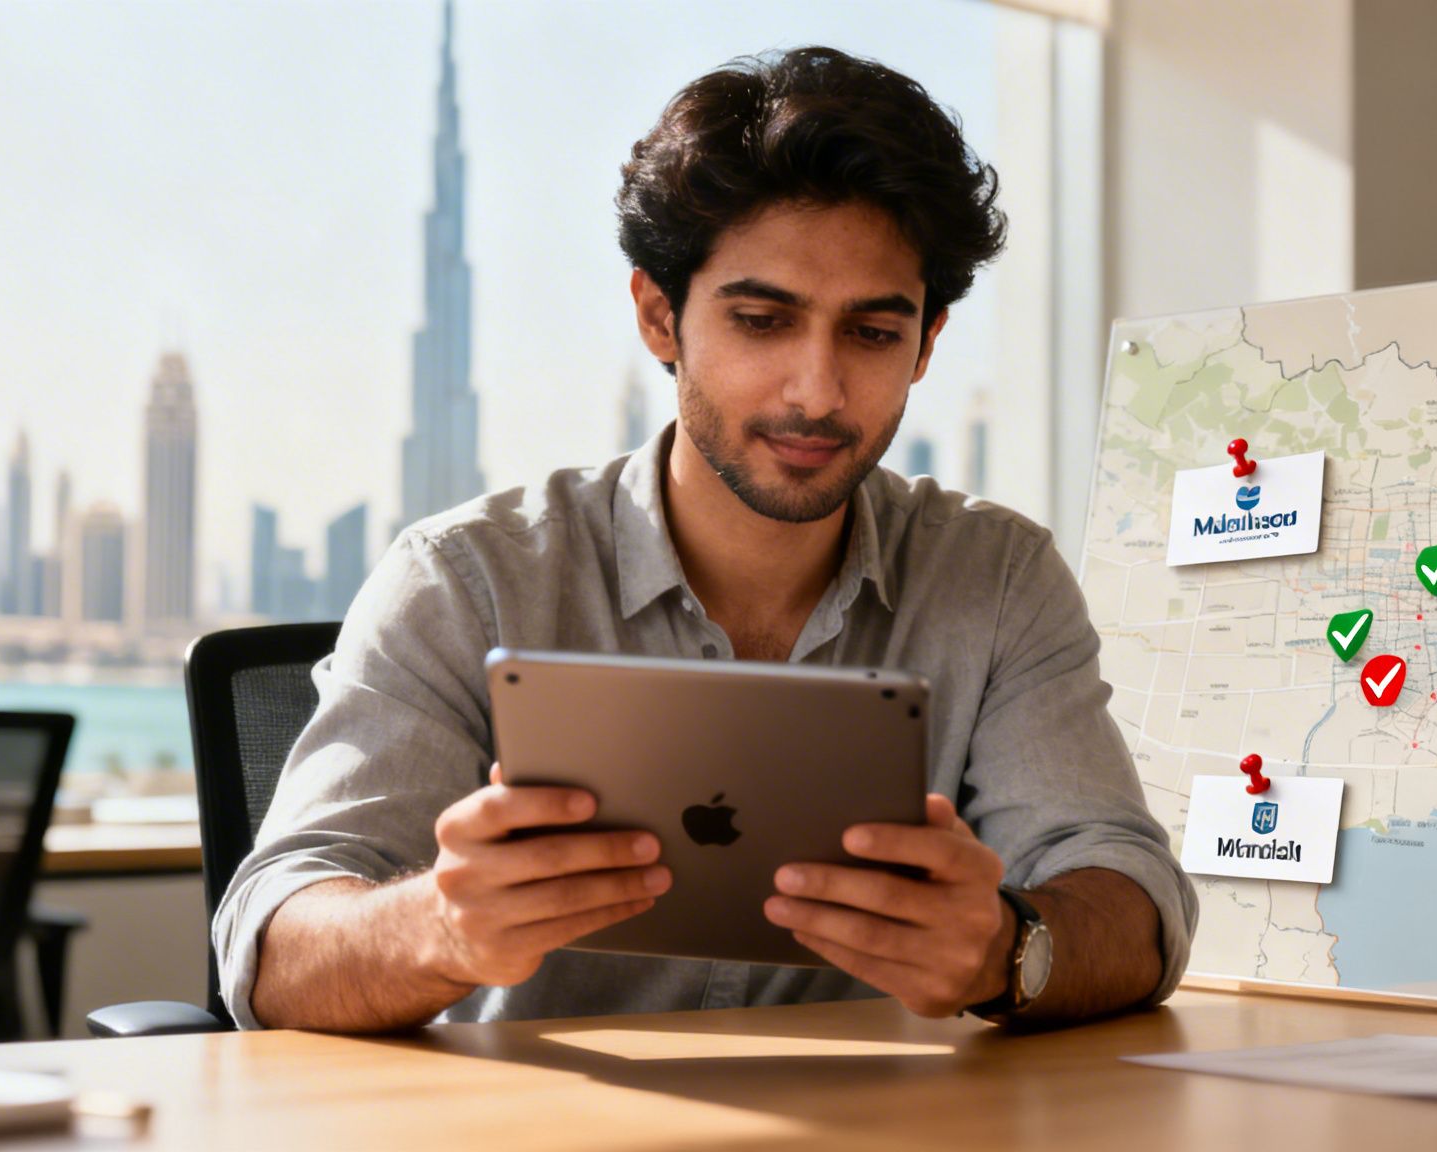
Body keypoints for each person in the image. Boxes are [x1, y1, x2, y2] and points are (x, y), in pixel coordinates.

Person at [215, 46, 1195, 1032]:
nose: (816, 391)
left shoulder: (998, 579)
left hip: (881, 1111)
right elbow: (271, 954)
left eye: (870, 334)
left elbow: (1134, 905)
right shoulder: (463, 580)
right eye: (762, 321)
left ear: (926, 343)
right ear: (659, 317)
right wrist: (438, 927)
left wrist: (1005, 949)